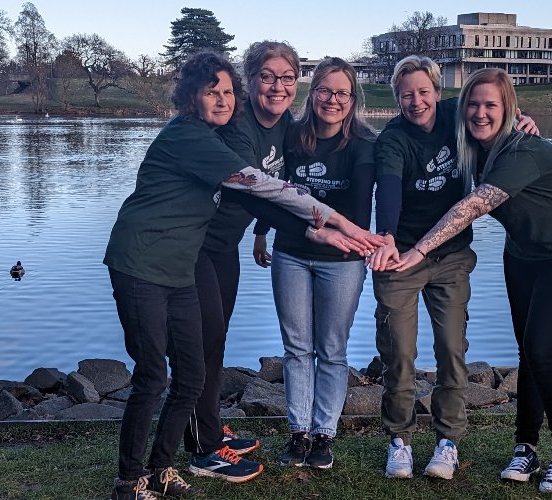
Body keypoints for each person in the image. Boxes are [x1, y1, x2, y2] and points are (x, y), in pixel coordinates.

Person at [103, 50, 380, 500]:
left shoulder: (252, 129)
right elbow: (259, 187)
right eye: (212, 91)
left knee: (193, 370)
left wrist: (289, 232)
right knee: (156, 374)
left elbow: (267, 190)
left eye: (227, 91)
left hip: (183, 261)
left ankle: (165, 467)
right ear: (190, 96)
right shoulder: (196, 136)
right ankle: (133, 479)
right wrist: (332, 224)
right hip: (145, 262)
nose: (222, 100)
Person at [386, 68, 552, 494]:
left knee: (543, 351)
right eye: (473, 104)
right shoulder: (472, 142)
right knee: (528, 354)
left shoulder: (525, 151)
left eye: (491, 106)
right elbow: (432, 107)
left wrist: (418, 249)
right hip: (523, 256)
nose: (480, 113)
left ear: (508, 109)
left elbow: (471, 207)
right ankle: (526, 446)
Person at [367, 55, 539, 481]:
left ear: (438, 91)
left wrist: (522, 124)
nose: (416, 101)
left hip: (451, 257)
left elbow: (492, 115)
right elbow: (387, 190)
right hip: (400, 256)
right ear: (397, 98)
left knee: (450, 349)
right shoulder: (392, 139)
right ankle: (400, 441)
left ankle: (448, 442)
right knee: (399, 353)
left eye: (423, 91)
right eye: (406, 94)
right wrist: (386, 235)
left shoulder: (455, 113)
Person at [180, 40, 318, 484]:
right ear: (251, 81)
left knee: (216, 341)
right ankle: (202, 450)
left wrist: (260, 232)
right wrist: (323, 225)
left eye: (287, 78)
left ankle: (211, 428)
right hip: (193, 245)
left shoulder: (287, 126)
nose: (278, 87)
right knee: (200, 346)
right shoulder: (238, 127)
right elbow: (257, 188)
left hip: (224, 245)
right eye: (267, 77)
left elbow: (280, 182)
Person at [250, 57, 375, 471]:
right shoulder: (292, 136)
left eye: (342, 92)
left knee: (332, 349)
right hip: (291, 254)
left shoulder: (363, 145)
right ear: (312, 91)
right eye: (324, 89)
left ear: (353, 99)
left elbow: (357, 210)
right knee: (297, 347)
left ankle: (325, 434)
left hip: (342, 260)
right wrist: (261, 231)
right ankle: (299, 432)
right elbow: (274, 189)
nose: (332, 100)